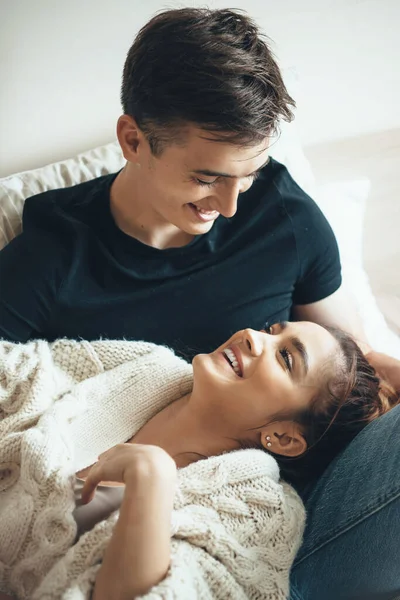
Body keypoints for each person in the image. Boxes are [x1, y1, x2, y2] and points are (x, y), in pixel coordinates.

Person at [0, 7, 399, 599]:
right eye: (208, 177)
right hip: (110, 511)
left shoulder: (285, 217)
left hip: (272, 510)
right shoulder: (53, 258)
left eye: (251, 174)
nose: (234, 206)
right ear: (134, 140)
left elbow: (350, 361)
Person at [0, 321, 397, 600]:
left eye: (286, 359)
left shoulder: (259, 514)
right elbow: (17, 371)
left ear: (283, 438)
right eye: (273, 331)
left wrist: (151, 479)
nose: (253, 337)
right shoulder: (144, 365)